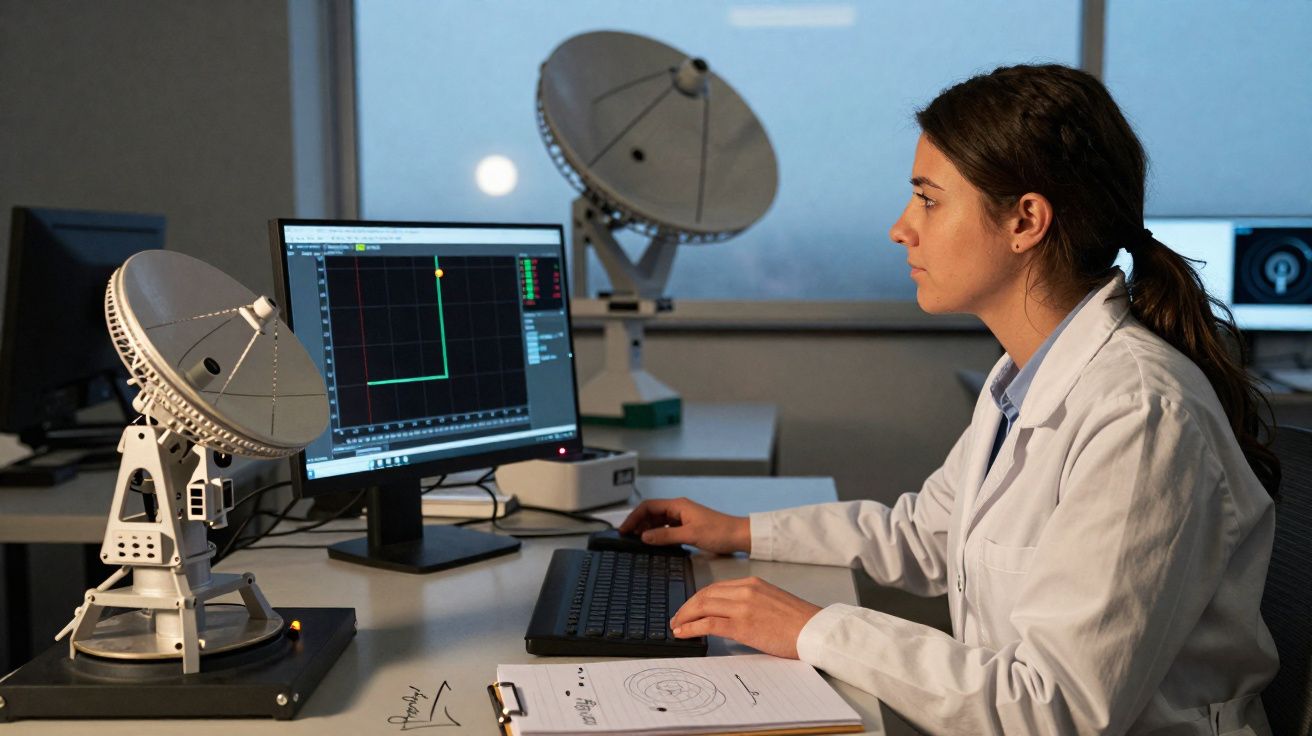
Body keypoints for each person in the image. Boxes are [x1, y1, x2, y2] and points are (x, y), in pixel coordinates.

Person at [619, 64, 1281, 735]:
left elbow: (1055, 708)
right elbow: (928, 534)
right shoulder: (1020, 381)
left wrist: (817, 628)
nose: (901, 228)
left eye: (929, 200)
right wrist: (739, 531)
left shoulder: (1141, 414)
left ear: (1025, 220)